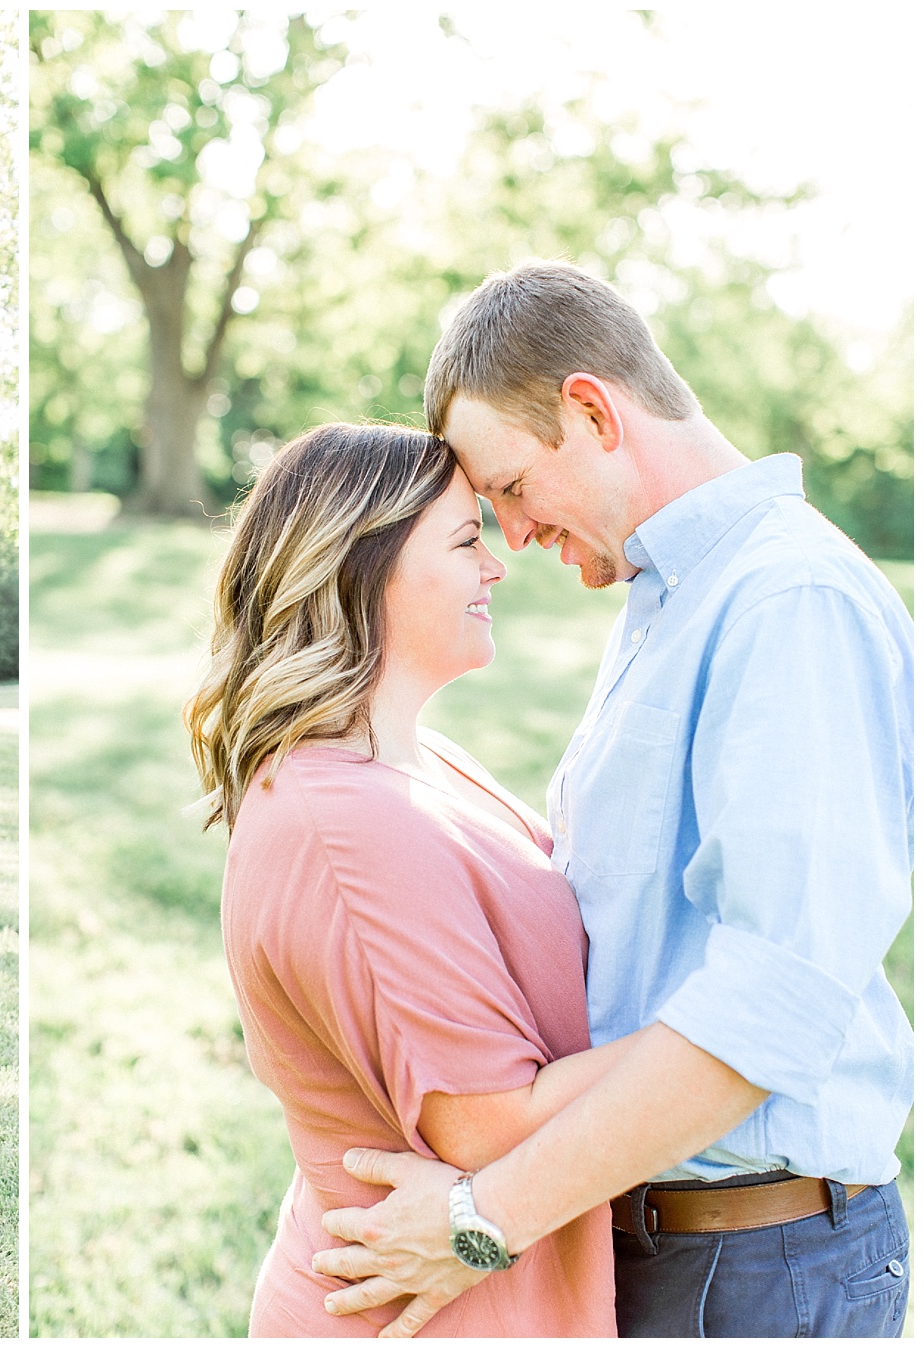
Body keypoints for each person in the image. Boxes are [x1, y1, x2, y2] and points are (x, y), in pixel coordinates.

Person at [309, 262, 912, 1338]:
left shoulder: (787, 600)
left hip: (755, 1262)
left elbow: (774, 999)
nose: (513, 537)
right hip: (659, 1238)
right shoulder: (668, 599)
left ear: (591, 412)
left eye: (510, 489)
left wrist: (483, 1220)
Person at [187, 423, 656, 1336]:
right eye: (466, 539)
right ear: (363, 571)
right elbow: (490, 1130)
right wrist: (725, 1034)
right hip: (416, 1318)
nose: (498, 566)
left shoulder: (416, 761)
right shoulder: (349, 824)